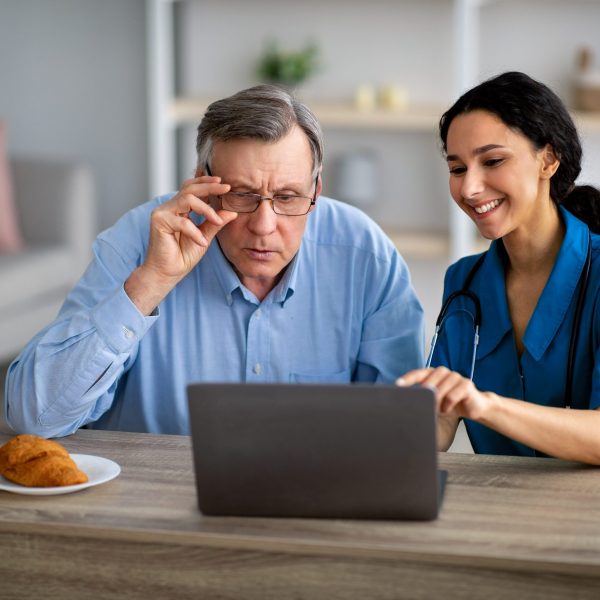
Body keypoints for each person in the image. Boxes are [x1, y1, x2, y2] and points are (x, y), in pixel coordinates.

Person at [5, 84, 425, 437]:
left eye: (287, 197)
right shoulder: (138, 240)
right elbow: (34, 419)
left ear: (316, 192)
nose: (264, 225)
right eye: (241, 194)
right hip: (151, 510)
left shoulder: (365, 255)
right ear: (201, 181)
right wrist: (150, 282)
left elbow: (402, 426)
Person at [398, 71, 600, 465]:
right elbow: (438, 427)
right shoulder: (464, 282)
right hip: (496, 510)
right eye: (457, 169)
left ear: (549, 159)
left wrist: (484, 405)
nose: (470, 188)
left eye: (492, 161)